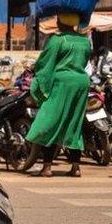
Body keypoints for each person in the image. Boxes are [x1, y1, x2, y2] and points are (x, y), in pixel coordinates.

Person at [23, 13, 92, 178]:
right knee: (74, 123)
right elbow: (84, 61)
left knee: (50, 122)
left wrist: (36, 71)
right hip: (82, 83)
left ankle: (47, 167)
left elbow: (46, 63)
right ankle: (75, 167)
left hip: (62, 83)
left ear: (61, 23)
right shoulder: (84, 41)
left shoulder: (57, 40)